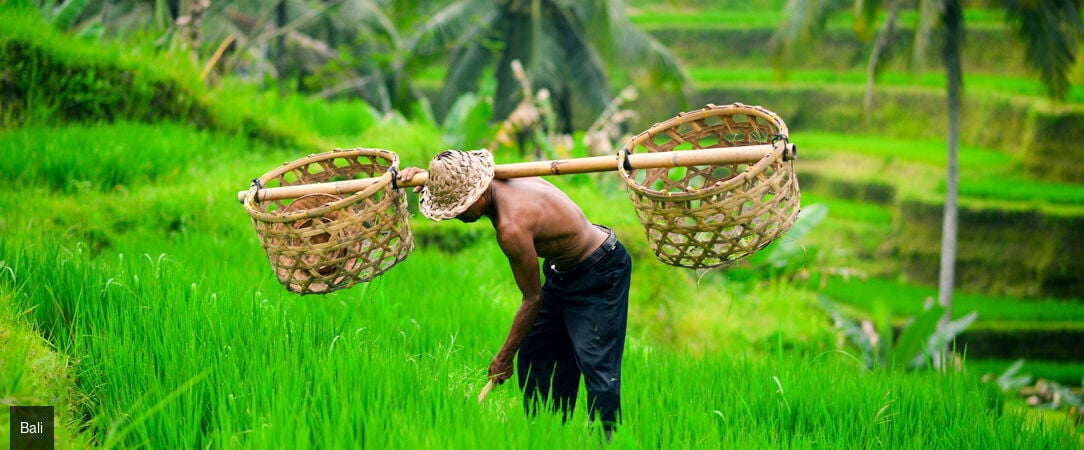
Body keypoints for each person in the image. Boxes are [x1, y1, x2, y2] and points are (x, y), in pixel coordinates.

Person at [397, 150, 632, 437]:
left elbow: (532, 298)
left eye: (461, 207)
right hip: (563, 272)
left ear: (480, 192)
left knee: (598, 366)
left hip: (599, 272)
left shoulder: (511, 227)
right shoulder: (503, 176)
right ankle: (546, 435)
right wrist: (433, 180)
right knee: (536, 352)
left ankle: (606, 441)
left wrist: (503, 358)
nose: (458, 215)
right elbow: (457, 178)